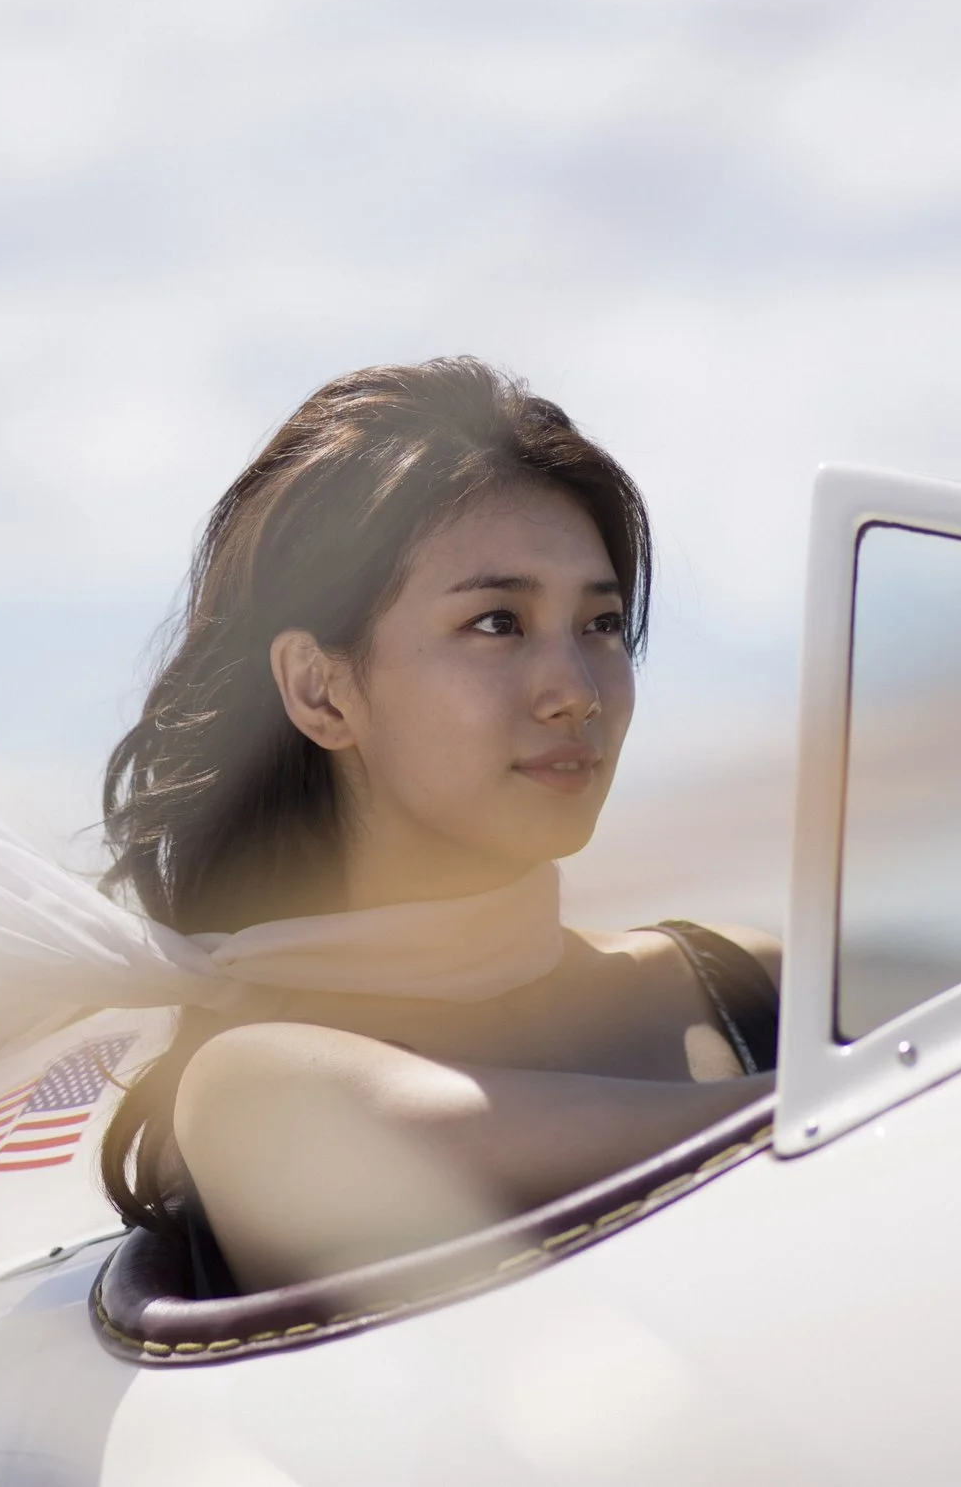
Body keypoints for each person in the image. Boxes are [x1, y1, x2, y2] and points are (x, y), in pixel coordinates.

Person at [96, 358, 779, 1294]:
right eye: (498, 622)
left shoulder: (746, 984)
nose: (577, 693)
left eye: (603, 623)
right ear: (319, 690)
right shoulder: (258, 1089)